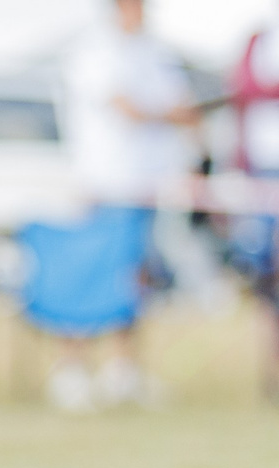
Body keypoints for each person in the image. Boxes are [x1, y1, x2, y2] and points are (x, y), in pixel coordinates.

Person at [45, 0, 198, 410]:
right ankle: (72, 371)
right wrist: (171, 116)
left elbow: (180, 103)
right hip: (102, 185)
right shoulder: (92, 49)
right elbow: (126, 107)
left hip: (145, 186)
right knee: (87, 278)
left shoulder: (155, 51)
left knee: (134, 280)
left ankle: (122, 372)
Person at [232, 13, 279, 394]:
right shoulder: (259, 40)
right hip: (263, 173)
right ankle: (271, 373)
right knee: (265, 276)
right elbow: (242, 90)